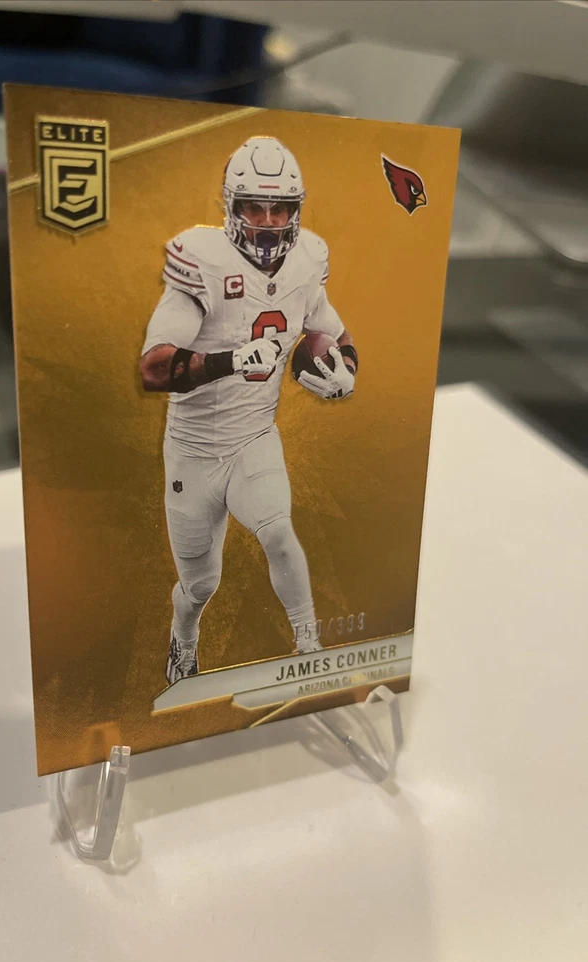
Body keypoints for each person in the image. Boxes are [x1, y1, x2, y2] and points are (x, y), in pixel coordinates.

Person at [140, 137, 358, 685]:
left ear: (295, 210)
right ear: (230, 207)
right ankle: (184, 638)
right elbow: (154, 368)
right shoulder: (202, 260)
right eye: (253, 207)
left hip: (254, 437)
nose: (266, 221)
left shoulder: (308, 259)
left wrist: (347, 370)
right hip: (192, 451)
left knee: (278, 532)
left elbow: (333, 331)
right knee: (200, 586)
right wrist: (230, 360)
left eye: (278, 208)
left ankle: (308, 646)